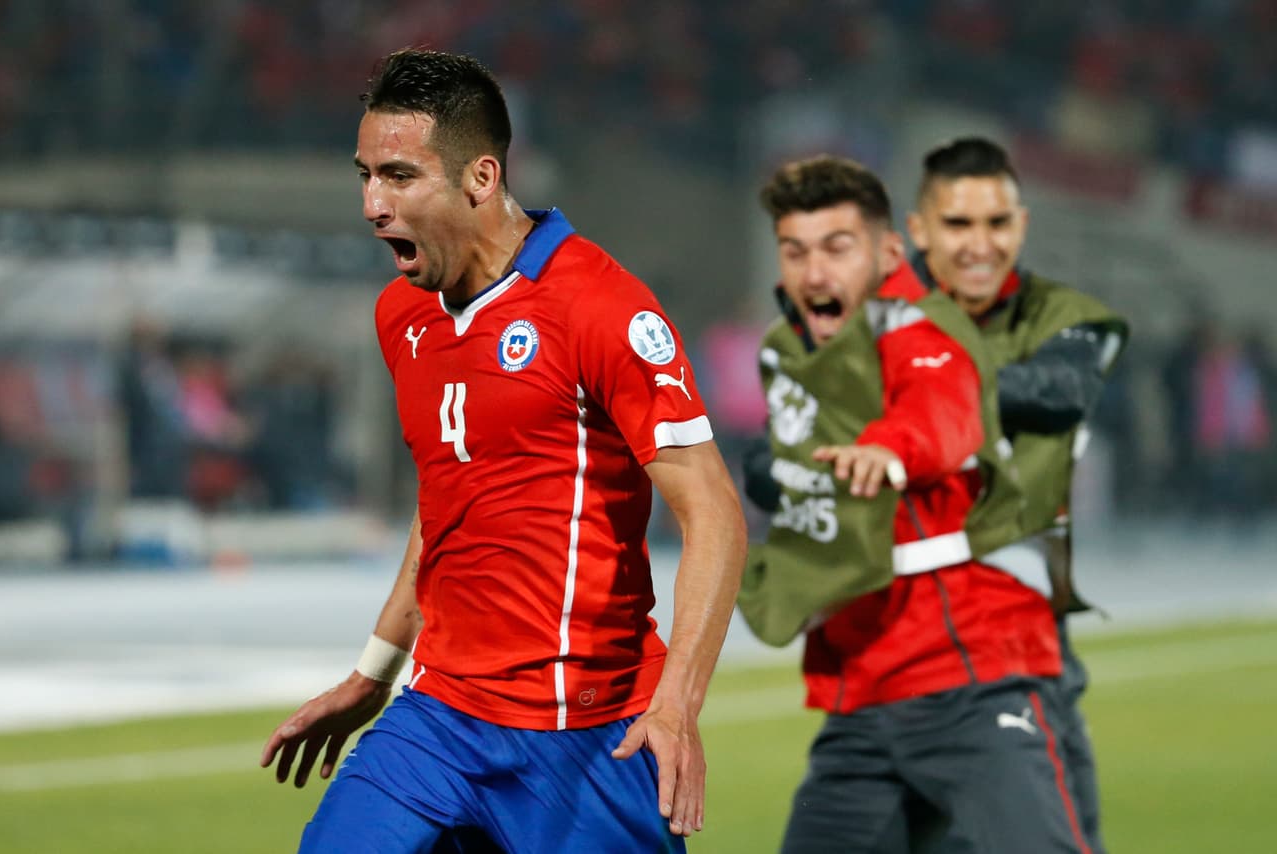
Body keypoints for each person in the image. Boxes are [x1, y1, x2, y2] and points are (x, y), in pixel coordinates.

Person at [260, 48, 747, 853]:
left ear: (480, 178)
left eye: (399, 176)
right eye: (364, 176)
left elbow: (716, 514)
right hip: (440, 721)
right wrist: (374, 672)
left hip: (588, 732)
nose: (373, 205)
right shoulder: (402, 318)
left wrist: (677, 708)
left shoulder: (597, 307)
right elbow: (446, 500)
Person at [740, 155, 1091, 853]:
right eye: (795, 250)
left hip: (970, 679)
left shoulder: (925, 331)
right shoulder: (790, 352)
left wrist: (891, 450)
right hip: (861, 696)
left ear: (890, 252)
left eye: (838, 248)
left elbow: (943, 408)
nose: (815, 274)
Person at [906, 136, 1130, 854]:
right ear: (920, 230)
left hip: (1031, 653)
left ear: (1021, 226)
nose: (980, 243)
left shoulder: (1063, 321)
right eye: (958, 224)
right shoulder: (868, 319)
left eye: (996, 223)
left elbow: (1063, 393)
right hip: (905, 662)